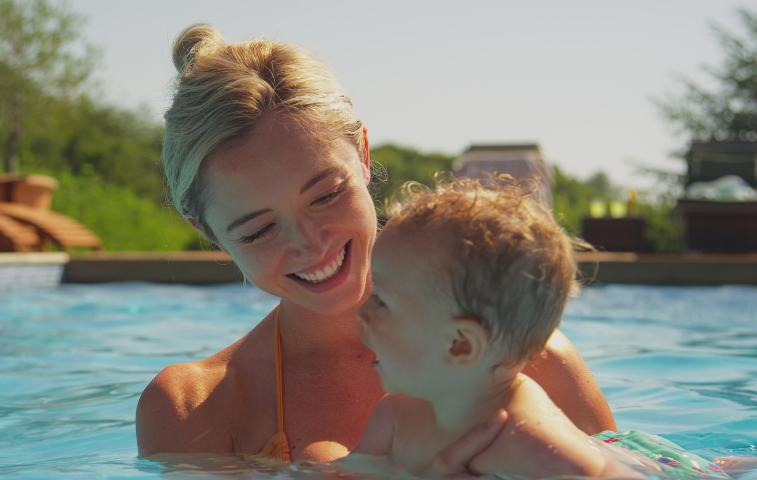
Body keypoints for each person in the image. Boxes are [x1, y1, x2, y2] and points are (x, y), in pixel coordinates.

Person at [135, 23, 616, 466]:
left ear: (363, 154)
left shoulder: (517, 352)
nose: (310, 245)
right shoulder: (194, 407)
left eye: (326, 195)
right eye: (258, 230)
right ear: (206, 230)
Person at [349, 177, 730, 479]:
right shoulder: (396, 415)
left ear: (461, 346)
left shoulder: (534, 446)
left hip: (649, 464)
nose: (362, 311)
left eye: (383, 300)